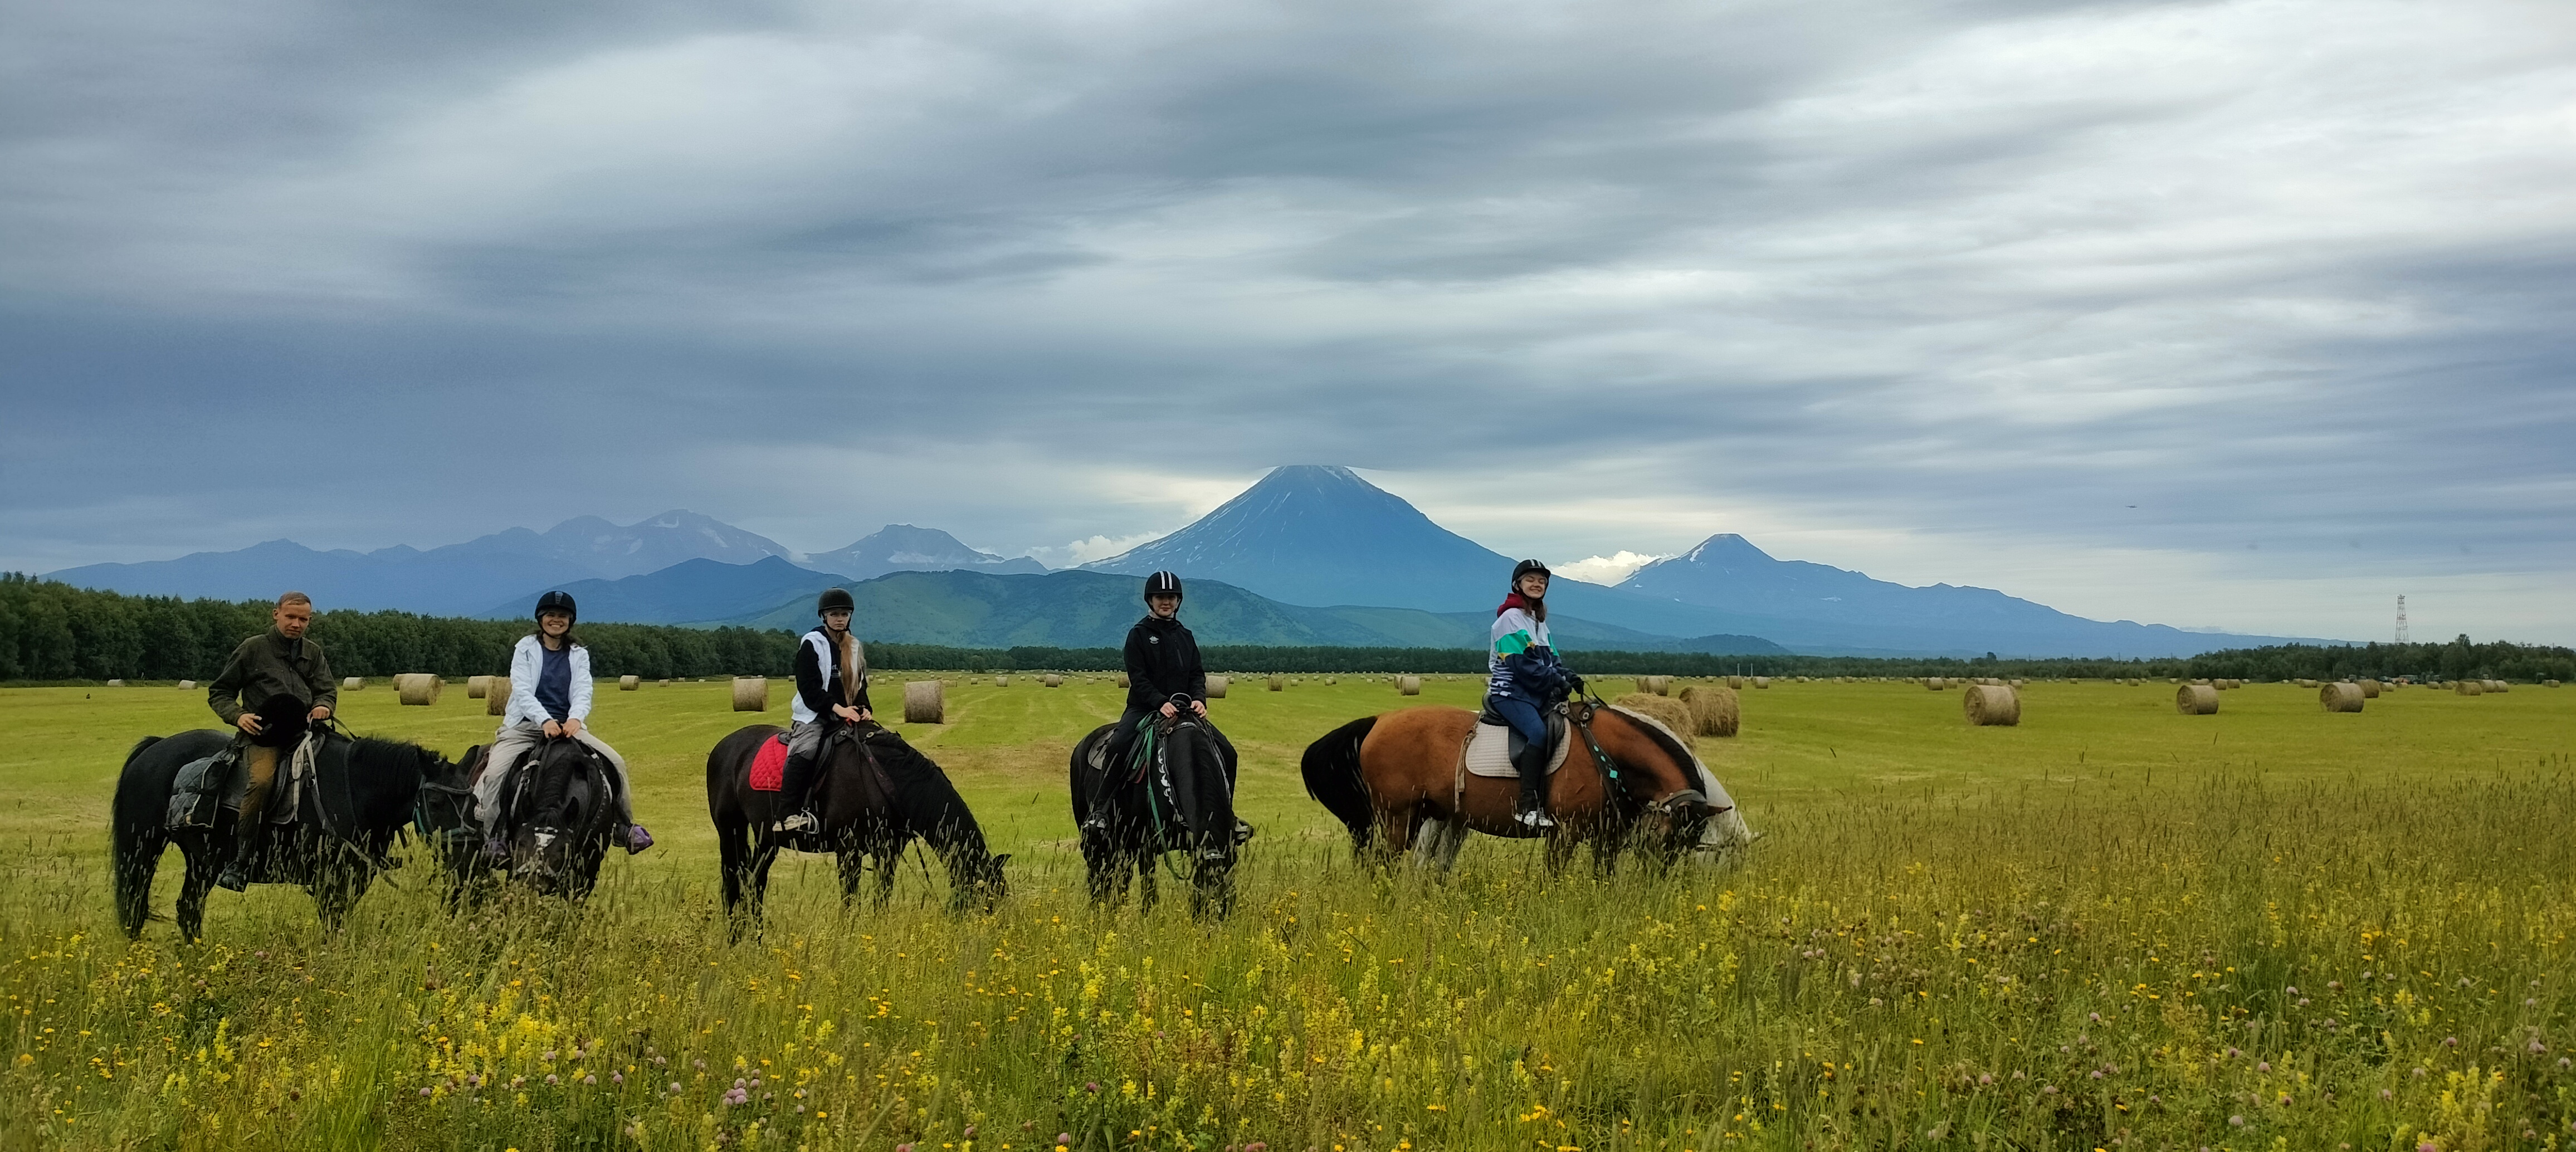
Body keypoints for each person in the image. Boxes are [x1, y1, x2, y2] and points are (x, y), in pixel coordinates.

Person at [475, 591, 651, 858]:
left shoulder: (579, 654)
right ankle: (495, 838)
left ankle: (623, 826)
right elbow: (522, 690)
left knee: (616, 762)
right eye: (551, 615)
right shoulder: (525, 648)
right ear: (540, 618)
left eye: (562, 616)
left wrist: (576, 718)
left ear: (571, 621)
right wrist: (543, 719)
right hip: (525, 727)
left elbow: (583, 689)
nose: (556, 620)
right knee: (495, 775)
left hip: (569, 727)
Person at [1082, 571, 1238, 834]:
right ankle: (1100, 810)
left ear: (1178, 601)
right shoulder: (1139, 635)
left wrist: (1199, 699)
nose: (1166, 602)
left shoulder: (1185, 635)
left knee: (1228, 753)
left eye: (1171, 597)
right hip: (1144, 708)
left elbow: (1196, 674)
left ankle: (1225, 816)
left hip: (1184, 710)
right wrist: (1160, 702)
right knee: (1119, 745)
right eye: (1160, 597)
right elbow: (1138, 678)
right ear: (1150, 600)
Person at [206, 590, 338, 891]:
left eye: (303, 619)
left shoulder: (313, 652)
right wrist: (239, 716)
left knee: (342, 772)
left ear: (310, 620)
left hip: (306, 735)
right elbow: (220, 692)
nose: (296, 624)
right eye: (291, 617)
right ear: (275, 613)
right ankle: (241, 861)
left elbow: (327, 690)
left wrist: (324, 706)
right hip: (263, 739)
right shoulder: (253, 649)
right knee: (263, 782)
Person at [1487, 559, 1577, 829]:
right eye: (1531, 580)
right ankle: (1527, 807)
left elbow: (1552, 660)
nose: (1537, 584)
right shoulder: (1511, 619)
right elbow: (1523, 665)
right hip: (1510, 693)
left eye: (1542, 581)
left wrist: (1568, 676)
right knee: (1538, 733)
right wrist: (1555, 681)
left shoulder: (1538, 621)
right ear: (1518, 585)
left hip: (1535, 693)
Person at [774, 587, 871, 833]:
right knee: (805, 749)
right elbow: (809, 687)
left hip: (847, 712)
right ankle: (787, 815)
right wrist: (838, 709)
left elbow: (860, 684)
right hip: (814, 715)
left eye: (844, 614)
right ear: (824, 617)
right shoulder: (812, 643)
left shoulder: (854, 647)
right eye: (834, 614)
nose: (840, 618)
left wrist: (864, 707)